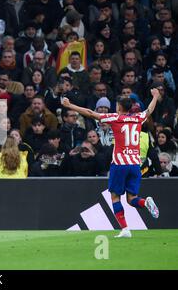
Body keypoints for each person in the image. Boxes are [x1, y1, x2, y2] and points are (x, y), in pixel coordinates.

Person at [61, 88, 161, 238]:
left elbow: (90, 113)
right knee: (132, 199)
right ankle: (145, 202)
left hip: (120, 164)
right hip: (135, 165)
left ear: (119, 107)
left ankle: (125, 229)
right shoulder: (138, 118)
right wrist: (155, 96)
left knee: (115, 197)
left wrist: (70, 106)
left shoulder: (115, 118)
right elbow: (149, 110)